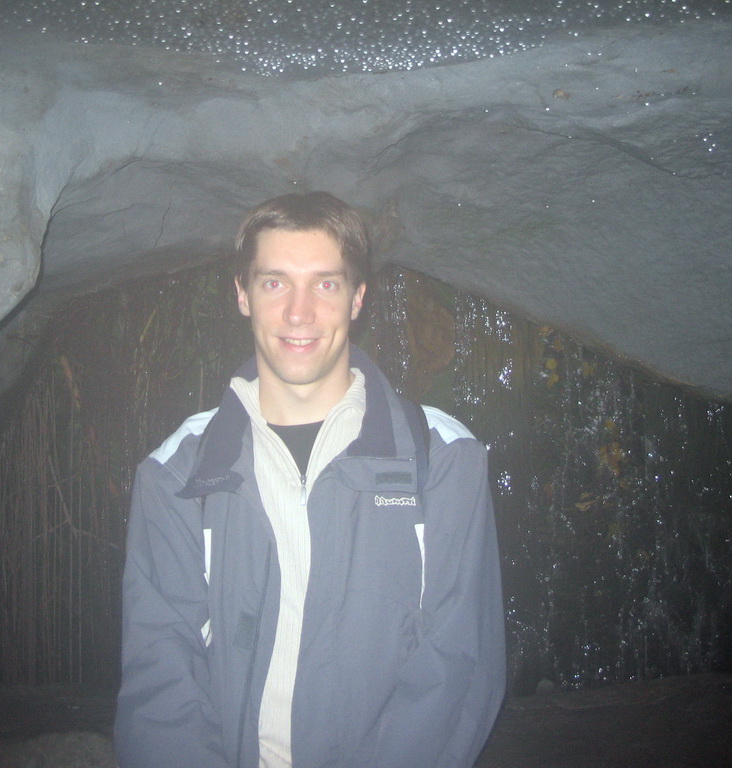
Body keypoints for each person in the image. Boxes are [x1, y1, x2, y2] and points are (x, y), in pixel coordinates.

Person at [115, 191, 506, 768]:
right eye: (275, 283)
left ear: (357, 299)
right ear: (242, 295)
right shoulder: (177, 472)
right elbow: (160, 674)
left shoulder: (442, 459)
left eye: (325, 284)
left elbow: (458, 667)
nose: (299, 313)